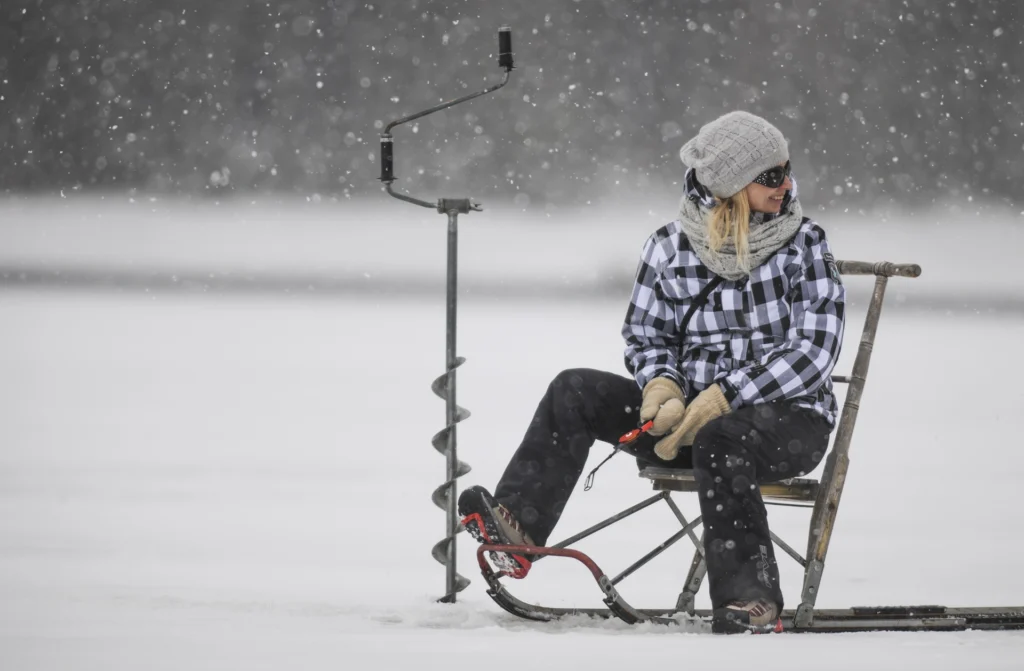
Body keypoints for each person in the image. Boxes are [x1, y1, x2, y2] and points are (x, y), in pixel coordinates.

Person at [458, 111, 846, 634]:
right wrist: (661, 388)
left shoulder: (806, 246)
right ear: (731, 184)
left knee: (722, 436)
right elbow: (647, 336)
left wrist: (725, 396)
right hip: (683, 422)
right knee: (574, 389)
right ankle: (518, 531)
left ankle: (749, 600)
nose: (787, 186)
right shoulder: (668, 246)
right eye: (771, 176)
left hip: (788, 424)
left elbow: (815, 352)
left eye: (787, 171)